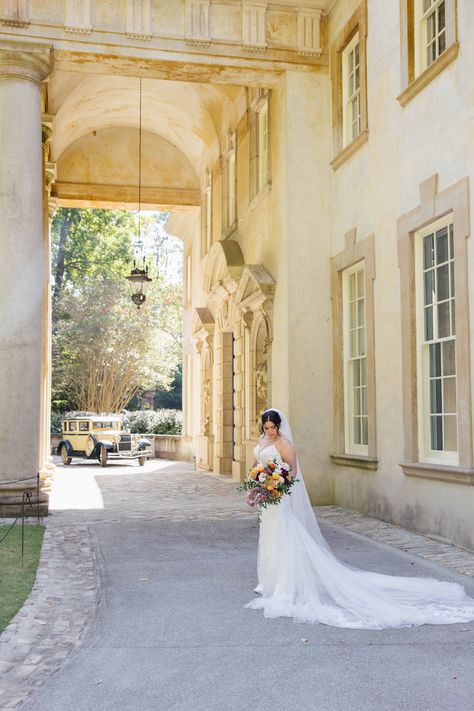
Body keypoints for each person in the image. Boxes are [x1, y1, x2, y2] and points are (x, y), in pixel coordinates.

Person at [245, 407, 474, 629]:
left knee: (284, 535)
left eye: (273, 427)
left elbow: (292, 471)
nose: (270, 431)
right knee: (269, 536)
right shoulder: (263, 440)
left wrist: (275, 485)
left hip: (279, 497)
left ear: (279, 426)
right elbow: (257, 465)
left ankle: (285, 584)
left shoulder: (284, 444)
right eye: (266, 427)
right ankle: (268, 580)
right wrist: (254, 485)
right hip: (266, 499)